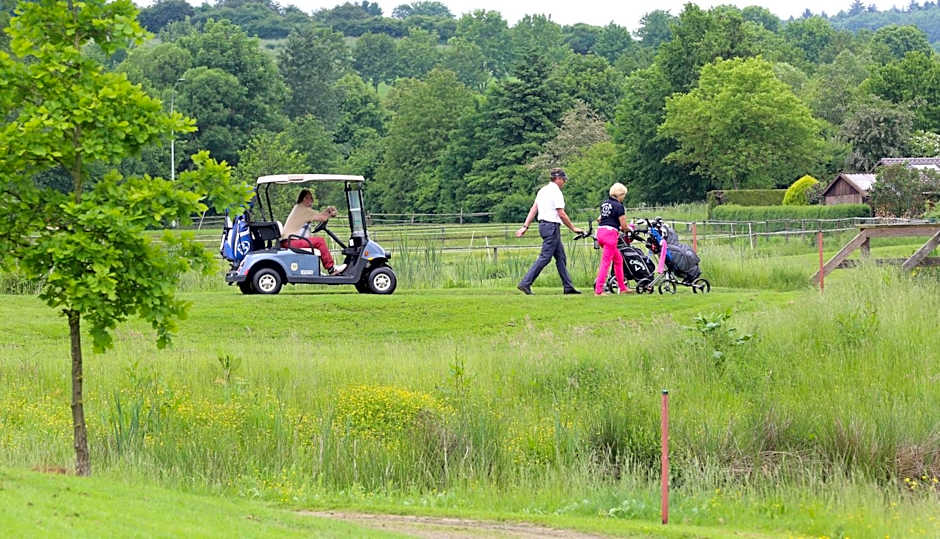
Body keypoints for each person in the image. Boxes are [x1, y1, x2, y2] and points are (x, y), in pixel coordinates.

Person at [515, 168, 584, 295]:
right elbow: (561, 213)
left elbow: (534, 209)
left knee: (561, 257)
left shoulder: (543, 190)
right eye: (563, 180)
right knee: (545, 257)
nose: (564, 182)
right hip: (551, 227)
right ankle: (525, 283)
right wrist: (573, 228)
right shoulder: (556, 192)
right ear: (558, 179)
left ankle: (568, 287)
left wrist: (525, 226)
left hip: (545, 226)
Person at [280, 189, 347, 275]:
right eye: (310, 198)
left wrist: (327, 211)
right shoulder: (303, 209)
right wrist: (330, 212)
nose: (312, 200)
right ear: (304, 199)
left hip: (290, 241)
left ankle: (319, 269)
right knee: (320, 241)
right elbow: (322, 218)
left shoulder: (300, 208)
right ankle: (331, 269)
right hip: (291, 242)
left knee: (315, 241)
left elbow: (319, 215)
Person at [594, 182, 631, 296]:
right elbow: (624, 226)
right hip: (610, 235)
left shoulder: (605, 204)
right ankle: (599, 291)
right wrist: (630, 229)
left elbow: (599, 219)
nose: (623, 197)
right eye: (623, 195)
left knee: (618, 260)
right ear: (619, 194)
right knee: (606, 263)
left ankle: (623, 287)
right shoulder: (619, 206)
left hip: (600, 233)